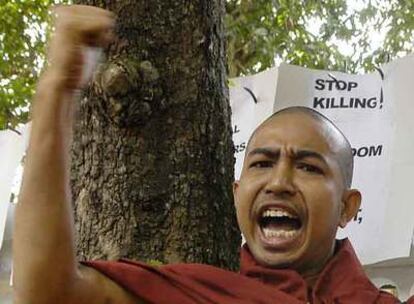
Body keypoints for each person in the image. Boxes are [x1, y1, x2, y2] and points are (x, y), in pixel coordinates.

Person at [12, 4, 412, 304]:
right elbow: (48, 289)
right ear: (237, 193)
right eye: (262, 163)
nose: (279, 182)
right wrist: (57, 90)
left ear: (347, 207)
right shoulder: (198, 293)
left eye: (308, 166)